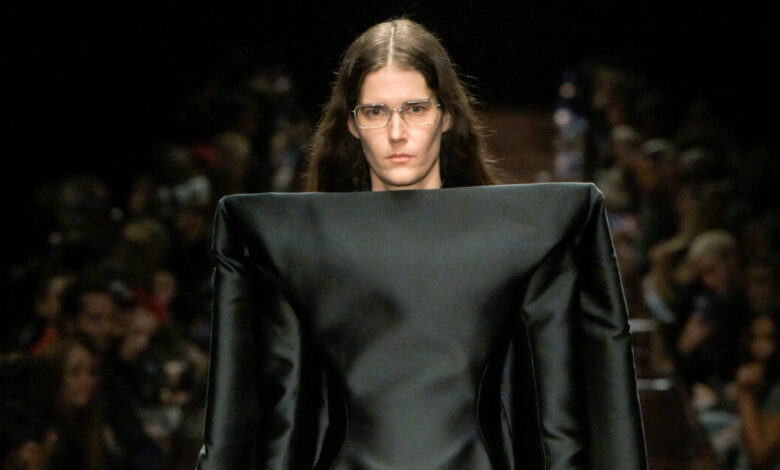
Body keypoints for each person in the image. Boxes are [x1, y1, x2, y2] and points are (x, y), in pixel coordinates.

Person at [197, 18, 647, 469]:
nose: (397, 132)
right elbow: (276, 412)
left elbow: (559, 414)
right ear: (352, 123)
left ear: (446, 115)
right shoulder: (293, 249)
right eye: (375, 112)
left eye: (414, 108)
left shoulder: (526, 243)